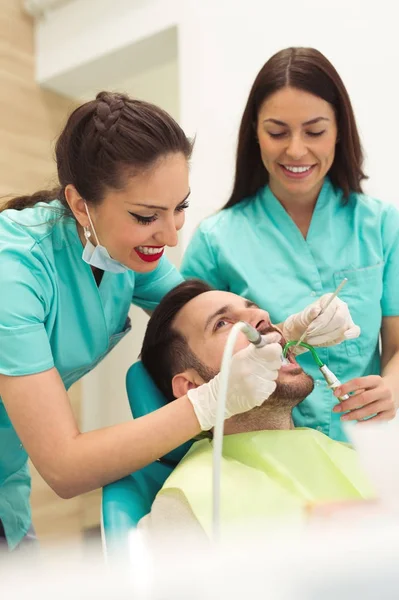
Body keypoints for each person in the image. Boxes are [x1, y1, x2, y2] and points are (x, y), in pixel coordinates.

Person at [0, 92, 295, 551]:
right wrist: (208, 402)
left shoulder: (126, 250)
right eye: (146, 216)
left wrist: (289, 332)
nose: (172, 234)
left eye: (180, 206)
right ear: (81, 206)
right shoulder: (13, 276)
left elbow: (199, 319)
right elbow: (63, 466)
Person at [181, 47, 399, 441]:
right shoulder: (215, 241)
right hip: (258, 452)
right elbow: (194, 361)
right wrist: (282, 334)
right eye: (277, 132)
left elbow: (398, 345)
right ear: (255, 133)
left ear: (339, 130)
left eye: (315, 131)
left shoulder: (382, 226)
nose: (296, 150)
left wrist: (392, 388)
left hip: (363, 446)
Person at [138, 280, 374, 538]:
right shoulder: (188, 504)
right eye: (222, 323)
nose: (262, 315)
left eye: (255, 308)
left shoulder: (360, 459)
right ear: (192, 387)